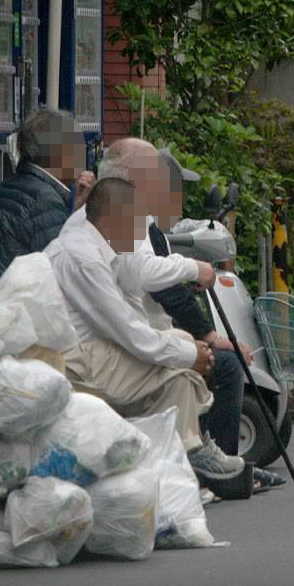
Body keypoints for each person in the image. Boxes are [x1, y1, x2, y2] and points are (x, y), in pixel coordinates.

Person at [46, 176, 245, 480]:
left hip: (95, 351)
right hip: (75, 360)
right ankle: (190, 452)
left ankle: (182, 455)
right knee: (180, 367)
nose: (143, 234)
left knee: (179, 352)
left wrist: (185, 346)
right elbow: (128, 331)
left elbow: (136, 281)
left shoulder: (104, 244)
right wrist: (188, 353)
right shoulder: (83, 257)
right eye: (138, 223)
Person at [0, 109, 95, 304]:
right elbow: (65, 271)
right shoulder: (43, 198)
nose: (83, 154)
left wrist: (76, 210)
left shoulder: (11, 187)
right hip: (12, 316)